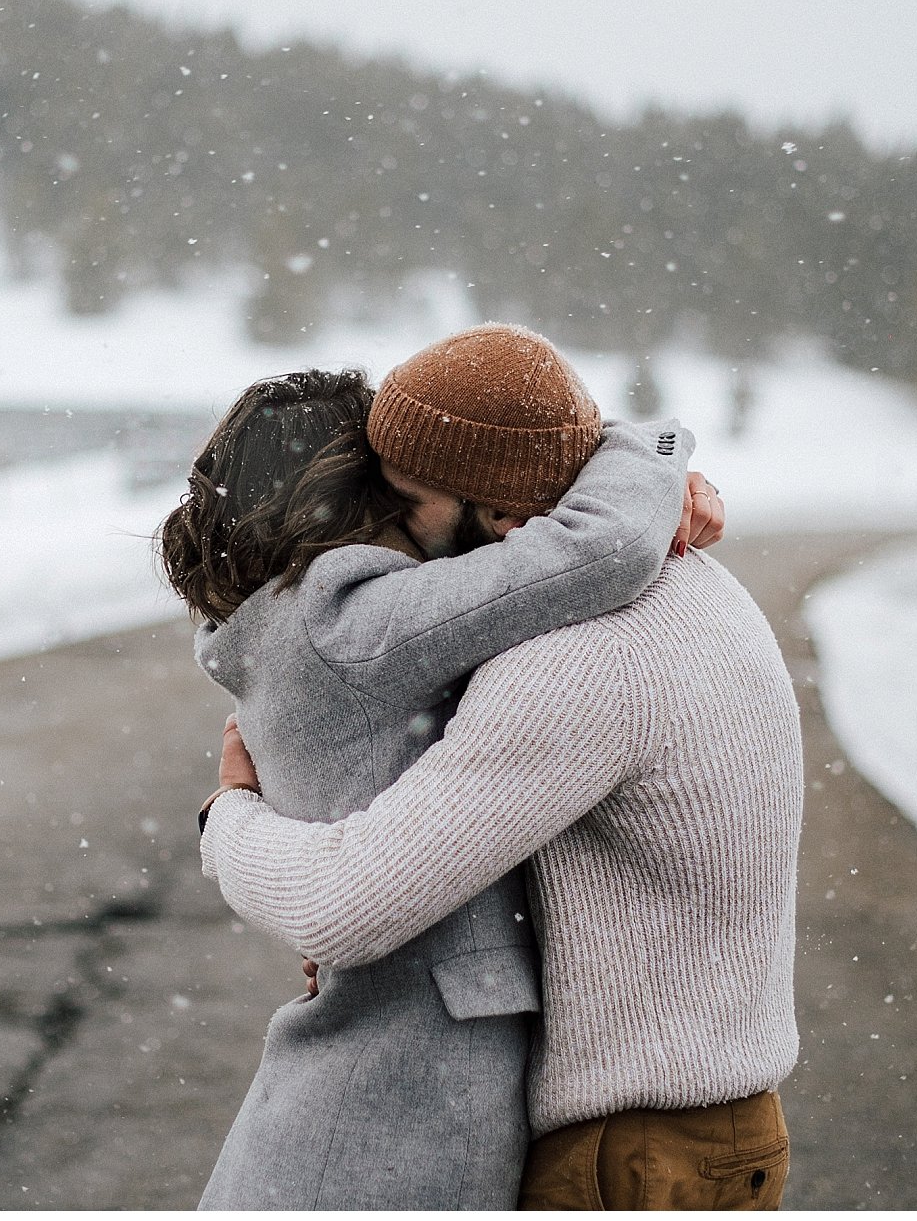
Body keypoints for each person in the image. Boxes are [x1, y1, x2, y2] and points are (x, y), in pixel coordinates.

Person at [199, 337, 805, 1210]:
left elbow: (345, 903)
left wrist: (230, 816)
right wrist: (659, 464)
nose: (390, 539)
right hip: (714, 1131)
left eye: (404, 503)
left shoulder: (572, 662)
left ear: (510, 521)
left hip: (628, 1158)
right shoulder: (698, 583)